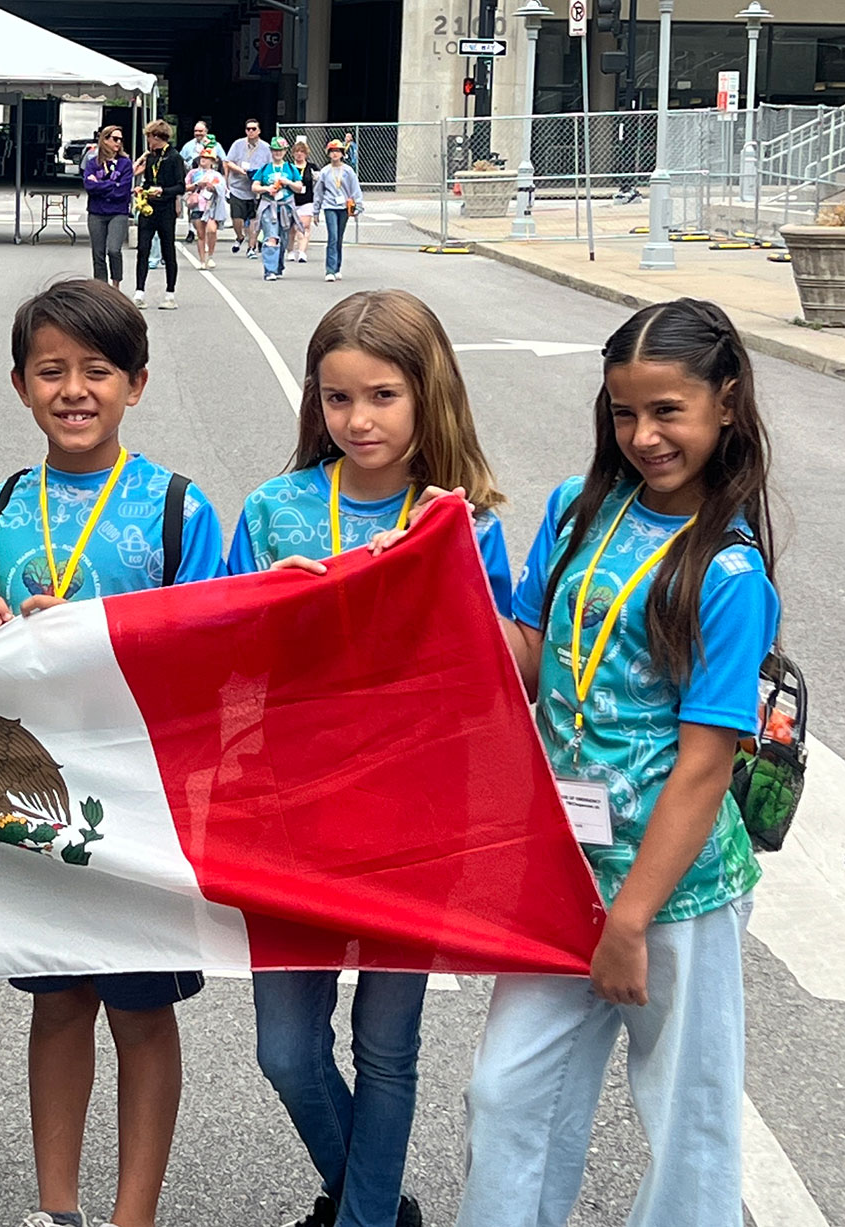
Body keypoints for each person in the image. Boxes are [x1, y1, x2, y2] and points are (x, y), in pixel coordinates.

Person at [455, 299, 779, 1227]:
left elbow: (704, 766)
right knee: (506, 1094)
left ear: (726, 403)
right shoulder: (578, 507)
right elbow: (529, 658)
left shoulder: (728, 573)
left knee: (686, 1119)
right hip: (563, 869)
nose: (644, 436)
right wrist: (440, 571)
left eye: (668, 411)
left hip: (672, 894)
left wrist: (630, 920)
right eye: (625, 411)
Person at [0, 280, 224, 1227]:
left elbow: (210, 650)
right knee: (57, 1002)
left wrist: (96, 631)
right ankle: (56, 1208)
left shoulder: (179, 506)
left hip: (139, 798)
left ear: (136, 383)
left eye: (97, 370)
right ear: (20, 385)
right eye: (50, 370)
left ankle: (132, 1215)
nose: (73, 390)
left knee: (141, 1011)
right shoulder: (1, 504)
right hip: (33, 796)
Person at [225, 288, 511, 1227]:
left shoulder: (461, 520)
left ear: (428, 394)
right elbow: (221, 655)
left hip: (416, 815)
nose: (359, 419)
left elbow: (500, 671)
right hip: (291, 815)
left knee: (387, 1047)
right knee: (286, 1050)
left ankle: (363, 1217)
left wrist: (440, 579)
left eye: (383, 396)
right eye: (338, 397)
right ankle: (376, 1203)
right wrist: (268, 605)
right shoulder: (274, 509)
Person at [132, 120, 185, 310]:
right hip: (149, 207)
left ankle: (170, 293)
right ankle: (139, 292)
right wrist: (142, 188)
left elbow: (181, 186)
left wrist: (163, 191)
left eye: (149, 137)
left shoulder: (174, 157)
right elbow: (148, 180)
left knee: (167, 249)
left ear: (156, 137)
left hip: (166, 209)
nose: (148, 141)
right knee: (143, 249)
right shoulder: (151, 157)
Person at [81, 125, 133, 290]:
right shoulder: (93, 163)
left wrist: (101, 185)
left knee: (114, 250)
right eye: (115, 139)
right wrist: (112, 184)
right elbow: (89, 186)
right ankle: (101, 287)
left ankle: (116, 285)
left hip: (118, 212)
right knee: (98, 253)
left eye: (120, 140)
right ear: (104, 140)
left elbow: (123, 191)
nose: (118, 142)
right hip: (96, 212)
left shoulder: (125, 163)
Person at [314, 139, 365, 282]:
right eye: (332, 151)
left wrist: (358, 205)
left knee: (339, 238)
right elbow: (318, 192)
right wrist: (316, 211)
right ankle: (330, 269)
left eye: (337, 151)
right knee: (333, 236)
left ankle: (337, 268)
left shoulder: (348, 171)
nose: (335, 154)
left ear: (342, 153)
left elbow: (355, 189)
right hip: (329, 206)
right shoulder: (325, 171)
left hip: (344, 207)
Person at [252, 136, 298, 282]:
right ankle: (269, 270)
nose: (278, 153)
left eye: (280, 150)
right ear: (271, 151)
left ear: (285, 151)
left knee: (283, 239)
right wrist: (266, 188)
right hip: (268, 206)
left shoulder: (291, 168)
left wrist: (288, 182)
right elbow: (254, 186)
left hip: (285, 208)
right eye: (275, 150)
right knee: (271, 237)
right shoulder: (265, 168)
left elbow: (299, 187)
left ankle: (278, 266)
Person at [224, 119, 269, 257]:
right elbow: (228, 162)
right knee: (236, 217)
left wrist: (260, 177)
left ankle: (251, 247)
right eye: (248, 129)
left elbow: (269, 167)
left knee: (254, 219)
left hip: (255, 189)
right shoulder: (238, 144)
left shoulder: (266, 148)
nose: (251, 131)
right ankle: (240, 236)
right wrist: (240, 171)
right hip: (237, 187)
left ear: (259, 131)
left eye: (254, 129)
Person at [185, 146, 229, 269]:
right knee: (200, 234)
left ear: (212, 161)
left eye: (207, 158)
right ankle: (202, 260)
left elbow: (224, 190)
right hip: (197, 206)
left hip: (211, 207)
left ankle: (210, 255)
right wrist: (197, 185)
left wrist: (213, 188)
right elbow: (184, 186)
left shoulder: (216, 175)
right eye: (202, 157)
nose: (203, 160)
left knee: (212, 230)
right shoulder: (193, 173)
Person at [288, 137, 317, 265]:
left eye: (302, 152)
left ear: (306, 154)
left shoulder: (312, 167)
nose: (299, 154)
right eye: (297, 151)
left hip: (307, 200)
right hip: (291, 200)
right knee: (291, 228)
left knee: (304, 226)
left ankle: (302, 252)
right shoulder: (289, 167)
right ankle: (290, 250)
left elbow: (318, 182)